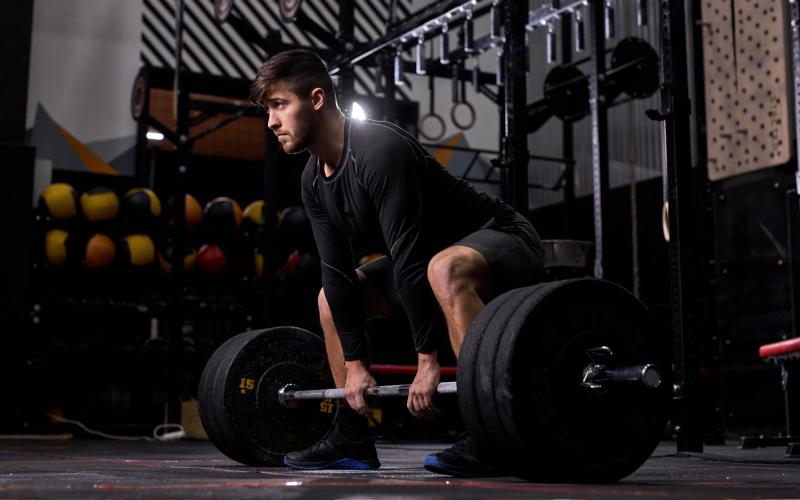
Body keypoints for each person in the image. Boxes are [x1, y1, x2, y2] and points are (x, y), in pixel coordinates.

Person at [250, 49, 544, 477]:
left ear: (315, 99)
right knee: (330, 298)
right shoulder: (313, 180)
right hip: (428, 261)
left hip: (502, 238)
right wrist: (355, 369)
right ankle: (351, 433)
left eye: (279, 106)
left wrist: (429, 362)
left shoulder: (379, 148)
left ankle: (490, 432)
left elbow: (408, 260)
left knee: (441, 267)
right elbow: (336, 274)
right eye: (269, 110)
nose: (272, 123)